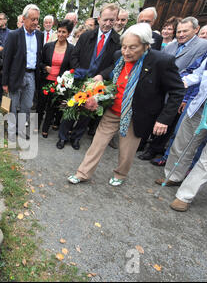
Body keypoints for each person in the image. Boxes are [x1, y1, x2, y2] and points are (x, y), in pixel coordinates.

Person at [67, 23, 185, 186]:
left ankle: (120, 174)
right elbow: (111, 70)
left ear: (146, 45)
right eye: (124, 47)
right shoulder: (118, 56)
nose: (126, 52)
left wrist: (164, 119)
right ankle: (83, 173)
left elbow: (177, 91)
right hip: (113, 110)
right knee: (97, 144)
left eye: (132, 47)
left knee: (127, 151)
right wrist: (101, 75)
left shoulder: (161, 62)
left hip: (136, 114)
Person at [139, 17, 207, 161]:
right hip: (160, 88)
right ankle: (143, 143)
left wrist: (185, 97)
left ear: (196, 30)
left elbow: (196, 72)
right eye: (179, 31)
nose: (181, 34)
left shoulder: (203, 45)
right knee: (154, 115)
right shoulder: (171, 45)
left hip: (180, 91)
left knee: (168, 121)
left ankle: (155, 149)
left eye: (185, 31)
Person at [59, 3, 121, 150]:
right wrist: (80, 73)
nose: (108, 23)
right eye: (105, 19)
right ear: (99, 19)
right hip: (80, 79)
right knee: (71, 107)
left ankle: (76, 138)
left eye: (111, 20)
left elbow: (116, 64)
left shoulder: (118, 41)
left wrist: (102, 75)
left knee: (87, 112)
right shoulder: (86, 36)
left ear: (116, 20)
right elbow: (74, 56)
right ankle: (62, 137)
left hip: (98, 84)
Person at [155, 54, 207, 212]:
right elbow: (198, 74)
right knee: (182, 144)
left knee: (206, 161)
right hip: (199, 108)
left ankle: (185, 196)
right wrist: (181, 82)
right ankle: (173, 176)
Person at [2, 4, 44, 142]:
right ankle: (12, 132)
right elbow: (6, 59)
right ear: (24, 19)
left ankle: (20, 130)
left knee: (26, 106)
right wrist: (5, 82)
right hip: (16, 75)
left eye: (37, 19)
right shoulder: (14, 35)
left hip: (31, 76)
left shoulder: (39, 35)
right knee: (13, 105)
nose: (36, 22)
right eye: (33, 19)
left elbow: (39, 56)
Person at [38, 20, 74, 140]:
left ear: (69, 34)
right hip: (45, 81)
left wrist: (65, 80)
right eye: (59, 31)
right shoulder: (48, 46)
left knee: (52, 107)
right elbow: (40, 62)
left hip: (59, 84)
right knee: (41, 105)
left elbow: (71, 68)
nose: (61, 34)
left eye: (64, 32)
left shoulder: (71, 49)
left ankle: (45, 128)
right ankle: (36, 125)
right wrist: (45, 67)